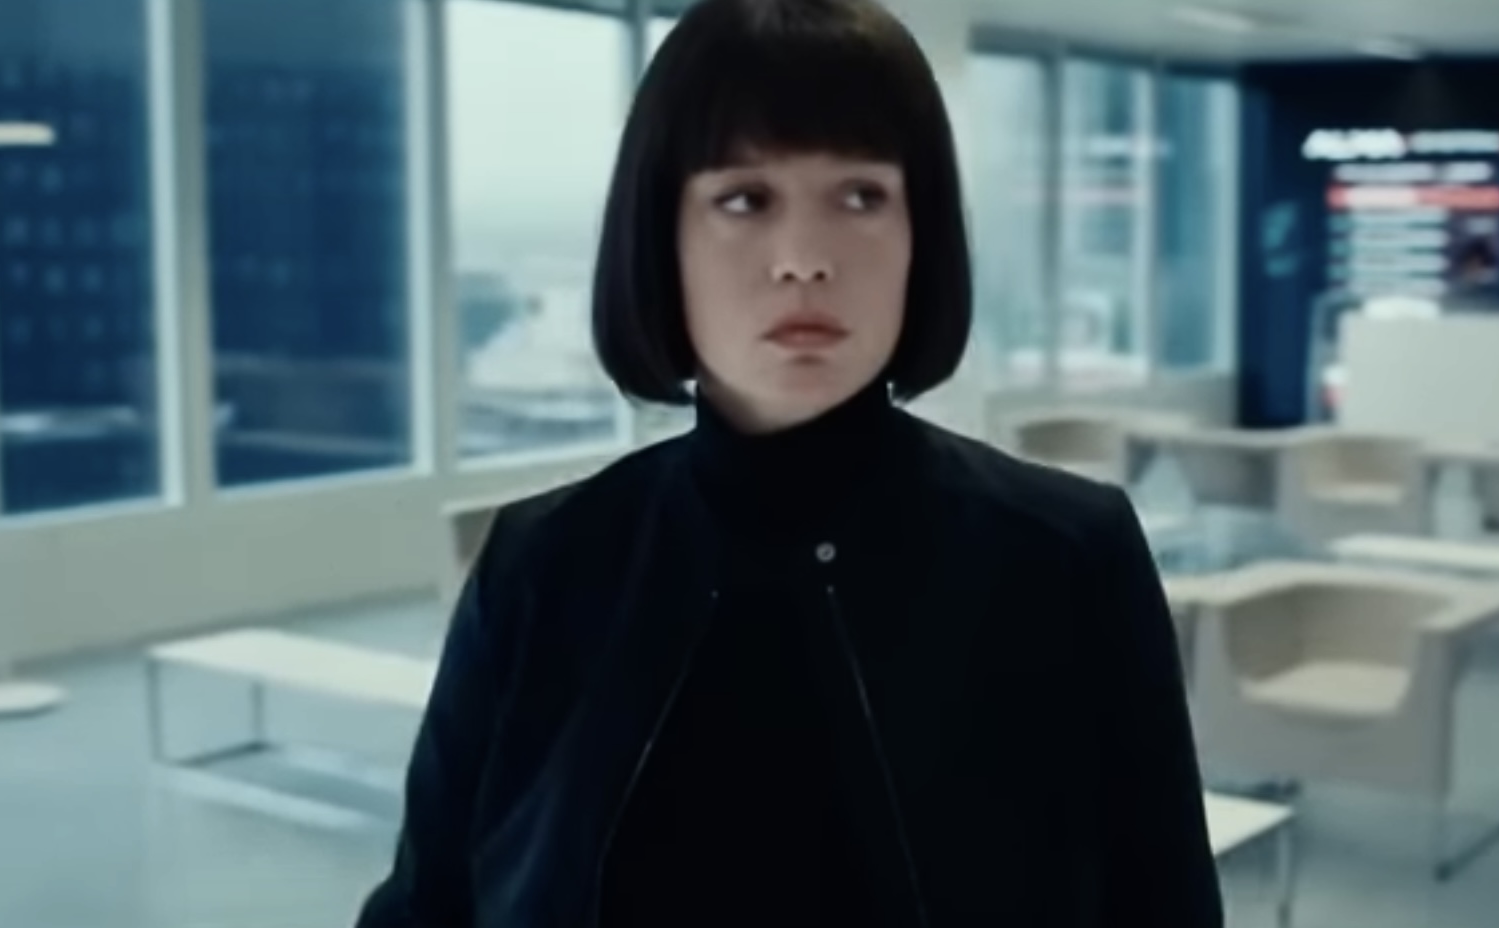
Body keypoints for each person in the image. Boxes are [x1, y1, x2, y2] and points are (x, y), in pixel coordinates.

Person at [356, 0, 1221, 925]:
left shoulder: (1065, 556)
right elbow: (426, 906)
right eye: (745, 199)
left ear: (921, 234)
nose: (805, 260)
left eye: (861, 197)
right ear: (662, 237)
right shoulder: (545, 565)